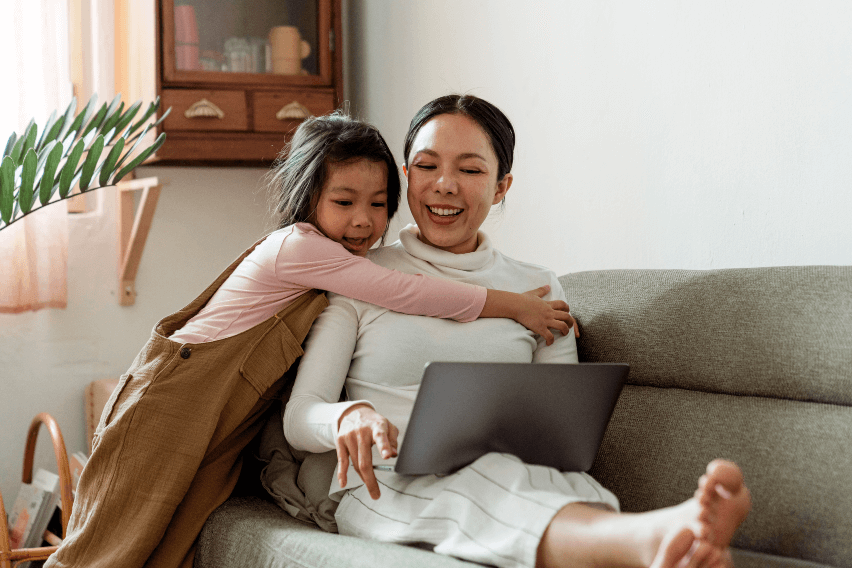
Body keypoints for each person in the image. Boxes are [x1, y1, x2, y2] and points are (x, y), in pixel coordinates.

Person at [45, 113, 579, 568]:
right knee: (108, 544)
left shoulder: (339, 262)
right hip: (177, 397)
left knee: (172, 541)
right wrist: (515, 306)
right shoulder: (299, 248)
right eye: (344, 202)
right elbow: (406, 290)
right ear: (308, 197)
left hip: (229, 411)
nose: (363, 222)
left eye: (376, 204)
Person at [283, 95, 752, 568]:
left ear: (502, 186)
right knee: (485, 492)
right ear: (406, 176)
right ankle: (660, 538)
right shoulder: (360, 276)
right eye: (427, 166)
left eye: (469, 170)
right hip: (386, 483)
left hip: (519, 474)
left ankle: (672, 547)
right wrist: (346, 418)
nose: (444, 186)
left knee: (549, 488)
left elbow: (562, 436)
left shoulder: (537, 289)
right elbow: (300, 415)